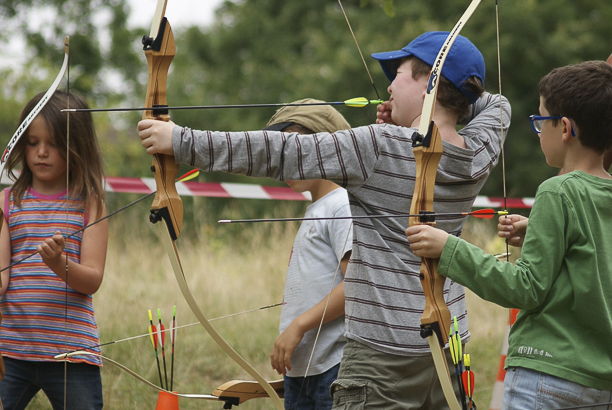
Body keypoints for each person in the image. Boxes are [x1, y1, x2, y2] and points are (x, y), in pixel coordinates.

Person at [138, 31, 510, 409]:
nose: (389, 85)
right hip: (446, 350)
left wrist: (180, 140)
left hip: (382, 361)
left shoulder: (378, 145)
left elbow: (281, 151)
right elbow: (498, 104)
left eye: (398, 73)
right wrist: (428, 112)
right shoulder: (478, 152)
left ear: (430, 81)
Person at [405, 60, 612, 409]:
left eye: (539, 119)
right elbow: (593, 256)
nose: (537, 129)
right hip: (598, 383)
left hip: (545, 377)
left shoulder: (557, 191)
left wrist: (449, 249)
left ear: (564, 128)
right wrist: (537, 230)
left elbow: (526, 288)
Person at [0, 90, 107, 409]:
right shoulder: (7, 201)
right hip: (10, 350)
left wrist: (58, 263)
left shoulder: (90, 203)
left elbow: (93, 280)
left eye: (54, 143)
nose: (41, 153)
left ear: (76, 146)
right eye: (32, 142)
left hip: (71, 353)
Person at [266, 100, 353, 410]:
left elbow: (356, 284)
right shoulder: (319, 207)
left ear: (323, 148)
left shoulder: (340, 204)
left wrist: (298, 326)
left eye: (291, 154)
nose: (282, 166)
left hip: (333, 367)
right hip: (304, 369)